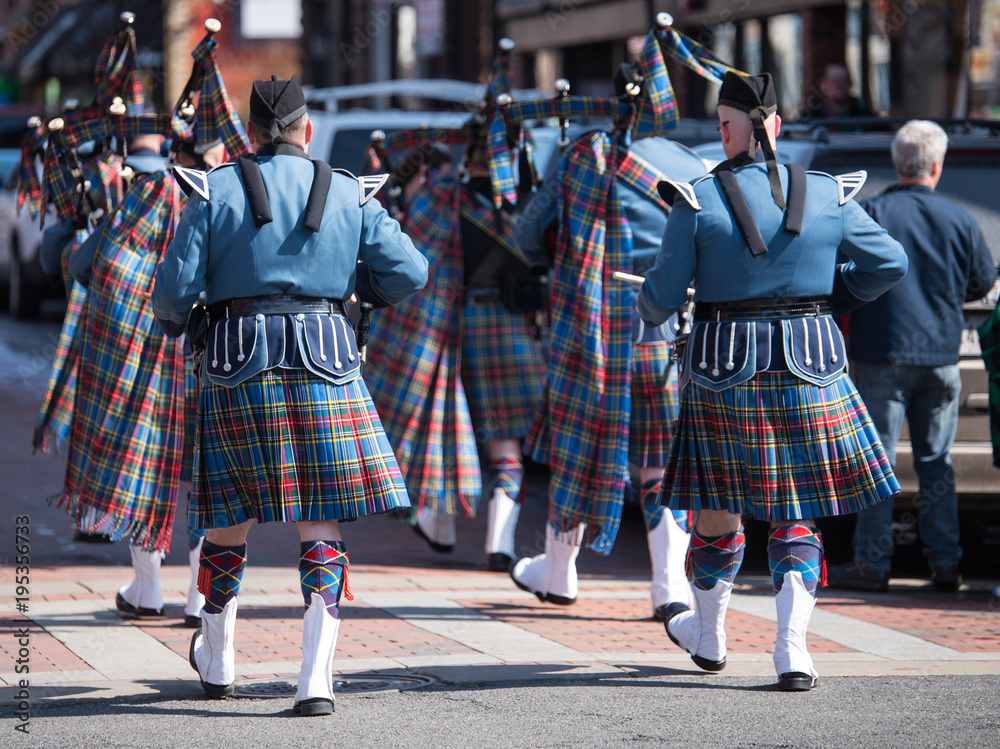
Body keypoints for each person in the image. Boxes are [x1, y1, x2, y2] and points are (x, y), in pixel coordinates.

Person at [152, 75, 428, 716]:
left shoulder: (214, 187)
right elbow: (410, 271)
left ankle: (216, 662)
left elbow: (171, 294)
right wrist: (356, 302)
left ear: (251, 133)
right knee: (319, 515)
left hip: (234, 357)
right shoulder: (349, 192)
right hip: (327, 356)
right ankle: (316, 680)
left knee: (229, 516)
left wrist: (184, 320)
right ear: (307, 130)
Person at [637, 71, 907, 691]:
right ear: (778, 127)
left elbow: (662, 298)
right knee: (797, 513)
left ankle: (709, 637)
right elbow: (889, 262)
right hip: (813, 361)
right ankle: (792, 652)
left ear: (728, 129)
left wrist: (651, 304)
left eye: (722, 126)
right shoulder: (828, 193)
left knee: (717, 508)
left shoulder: (696, 198)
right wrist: (831, 294)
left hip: (723, 365)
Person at [513, 98, 706, 618]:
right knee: (658, 464)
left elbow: (526, 235)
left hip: (589, 332)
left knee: (576, 453)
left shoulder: (581, 157)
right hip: (663, 333)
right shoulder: (690, 162)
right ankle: (669, 587)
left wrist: (562, 254)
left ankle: (559, 572)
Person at [828, 120, 998, 593]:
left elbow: (840, 273)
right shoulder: (962, 219)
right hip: (942, 358)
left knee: (878, 463)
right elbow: (982, 284)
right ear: (937, 166)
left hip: (880, 355)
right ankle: (945, 565)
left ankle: (872, 564)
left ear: (896, 162)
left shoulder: (872, 212)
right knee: (936, 464)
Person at [801, 63, 874, 121]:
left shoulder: (862, 110)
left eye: (843, 80)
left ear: (850, 84)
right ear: (822, 85)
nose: (839, 85)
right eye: (834, 80)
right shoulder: (810, 114)